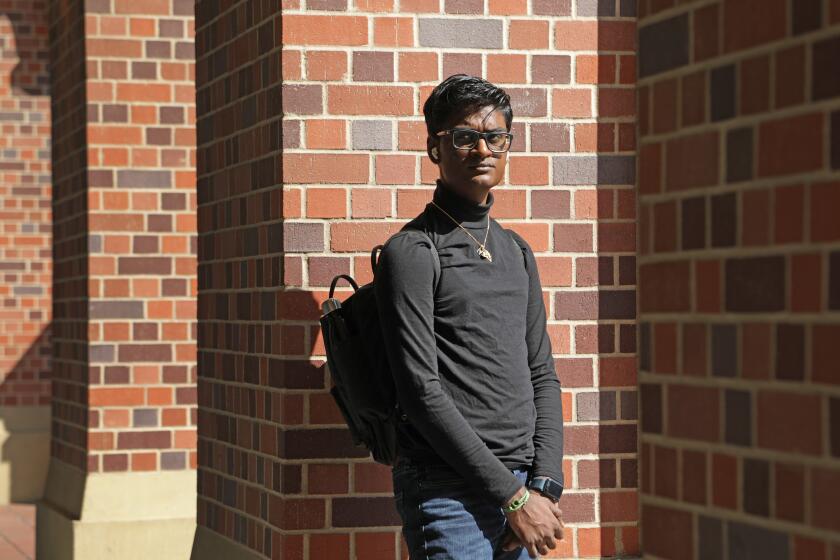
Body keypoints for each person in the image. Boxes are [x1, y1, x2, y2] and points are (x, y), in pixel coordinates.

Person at [375, 74, 565, 559]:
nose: (482, 149)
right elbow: (420, 392)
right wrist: (514, 496)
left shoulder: (517, 252)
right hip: (447, 492)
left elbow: (542, 374)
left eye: (494, 136)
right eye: (464, 136)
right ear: (435, 148)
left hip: (521, 488)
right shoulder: (414, 251)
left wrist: (543, 485)